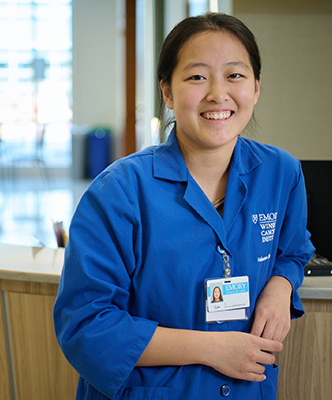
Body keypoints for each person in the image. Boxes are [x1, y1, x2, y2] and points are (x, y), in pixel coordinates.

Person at [54, 12, 314, 399]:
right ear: (167, 92)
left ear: (256, 87)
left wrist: (280, 286)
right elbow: (86, 323)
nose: (217, 94)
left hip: (246, 389)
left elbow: (293, 250)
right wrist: (212, 349)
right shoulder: (120, 191)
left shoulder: (281, 173)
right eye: (197, 77)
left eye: (235, 75)